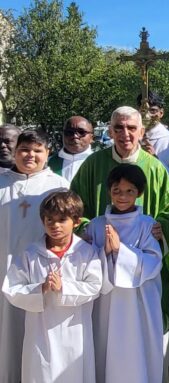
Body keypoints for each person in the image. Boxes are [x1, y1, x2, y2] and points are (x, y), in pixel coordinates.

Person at [70, 106, 169, 358]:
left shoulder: (154, 167)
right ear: (110, 131)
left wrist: (163, 225)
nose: (125, 134)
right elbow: (74, 204)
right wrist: (87, 227)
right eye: (118, 128)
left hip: (141, 274)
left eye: (132, 128)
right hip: (101, 263)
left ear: (142, 131)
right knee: (103, 333)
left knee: (139, 337)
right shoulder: (93, 164)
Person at [2, 190, 102, 383]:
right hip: (40, 333)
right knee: (41, 372)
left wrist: (64, 287)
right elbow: (11, 289)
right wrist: (40, 288)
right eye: (49, 220)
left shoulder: (86, 252)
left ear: (76, 221)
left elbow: (95, 286)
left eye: (62, 220)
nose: (55, 225)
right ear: (42, 221)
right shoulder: (30, 254)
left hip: (75, 331)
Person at [0, 129, 69, 383]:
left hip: (41, 273)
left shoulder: (58, 186)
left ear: (47, 153)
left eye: (37, 150)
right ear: (15, 151)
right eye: (25, 149)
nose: (30, 155)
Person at [86, 164, 163, 383]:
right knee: (105, 350)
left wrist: (121, 251)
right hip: (105, 304)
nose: (122, 196)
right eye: (117, 191)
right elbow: (88, 265)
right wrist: (105, 253)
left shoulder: (147, 225)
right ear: (109, 190)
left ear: (139, 193)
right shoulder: (96, 225)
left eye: (130, 191)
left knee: (137, 351)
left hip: (139, 304)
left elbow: (154, 262)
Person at [48, 116, 94, 182]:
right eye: (69, 132)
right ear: (62, 135)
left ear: (92, 137)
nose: (75, 136)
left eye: (81, 132)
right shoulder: (48, 163)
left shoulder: (99, 162)